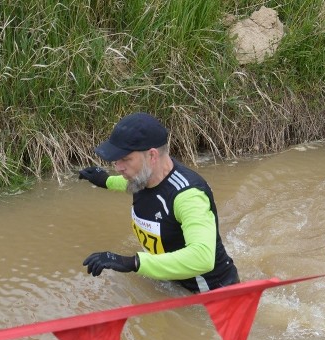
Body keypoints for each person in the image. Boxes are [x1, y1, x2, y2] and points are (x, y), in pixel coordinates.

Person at [79, 112, 239, 293]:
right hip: (170, 282)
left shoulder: (188, 196)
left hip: (209, 293)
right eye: (116, 160)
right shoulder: (144, 176)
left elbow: (203, 258)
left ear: (152, 156)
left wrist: (133, 262)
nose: (118, 167)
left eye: (125, 159)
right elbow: (134, 183)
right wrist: (105, 181)